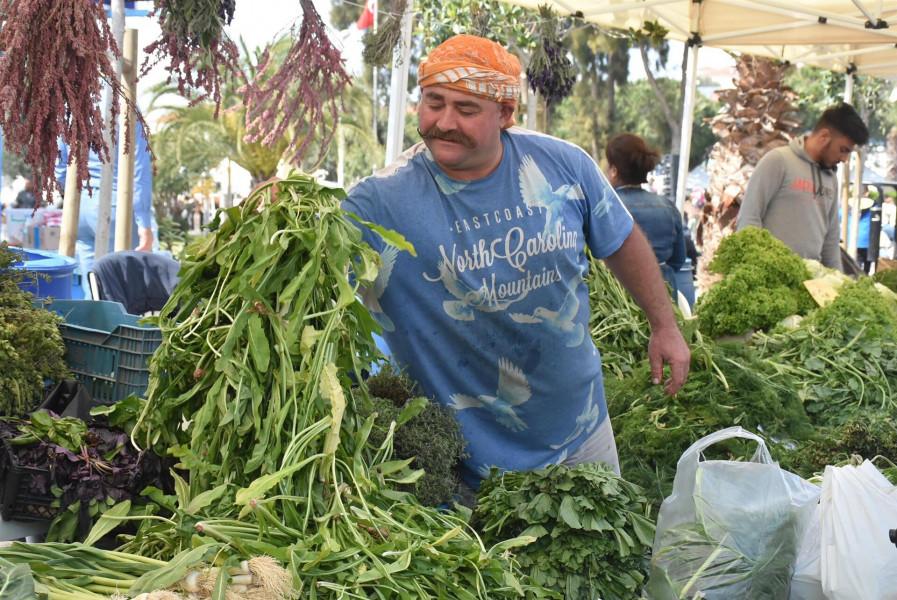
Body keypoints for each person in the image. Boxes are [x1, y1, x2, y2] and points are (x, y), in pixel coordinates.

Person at [343, 34, 690, 490]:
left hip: (578, 434)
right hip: (459, 462)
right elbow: (321, 295)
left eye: (466, 110)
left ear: (505, 115)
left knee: (606, 555)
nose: (444, 122)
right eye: (433, 103)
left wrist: (663, 323)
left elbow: (621, 238)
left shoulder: (563, 164)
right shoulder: (377, 202)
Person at [737, 102, 869, 270]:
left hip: (809, 284)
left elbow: (830, 240)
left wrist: (839, 282)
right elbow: (749, 217)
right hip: (770, 277)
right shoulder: (778, 161)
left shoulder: (831, 178)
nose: (844, 159)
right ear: (824, 137)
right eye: (843, 150)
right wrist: (756, 268)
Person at [55, 123, 154, 291]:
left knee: (92, 287)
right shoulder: (126, 109)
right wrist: (144, 223)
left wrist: (74, 198)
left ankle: (91, 317)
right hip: (115, 206)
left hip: (80, 207)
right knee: (121, 292)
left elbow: (60, 167)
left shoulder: (71, 106)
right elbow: (139, 171)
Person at [605, 133, 686, 298]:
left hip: (618, 302)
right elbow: (678, 259)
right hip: (664, 297)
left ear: (614, 170)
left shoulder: (606, 207)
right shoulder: (668, 207)